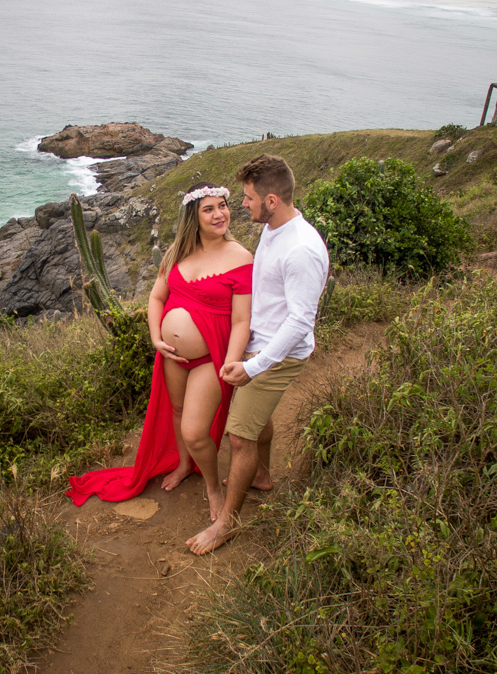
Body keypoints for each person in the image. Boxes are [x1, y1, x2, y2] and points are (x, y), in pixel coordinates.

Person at [67, 182, 253, 515]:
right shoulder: (176, 252)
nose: (219, 214)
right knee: (177, 412)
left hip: (211, 357)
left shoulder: (240, 257)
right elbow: (156, 297)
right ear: (193, 216)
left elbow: (242, 320)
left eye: (222, 206)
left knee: (194, 432)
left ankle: (213, 489)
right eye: (209, 209)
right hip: (171, 355)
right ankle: (184, 465)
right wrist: (156, 339)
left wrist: (230, 362)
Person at [186, 154, 329, 556]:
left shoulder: (300, 249)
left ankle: (226, 524)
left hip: (276, 354)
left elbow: (300, 322)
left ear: (271, 200)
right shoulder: (274, 228)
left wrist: (255, 365)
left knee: (239, 436)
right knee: (254, 418)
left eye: (248, 198)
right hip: (260, 345)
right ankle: (262, 475)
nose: (241, 204)